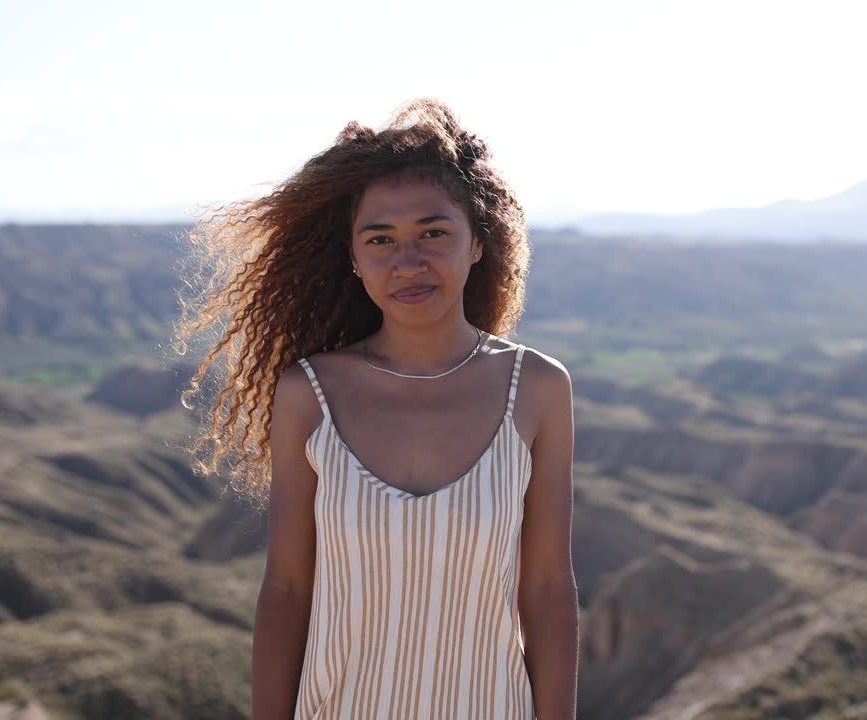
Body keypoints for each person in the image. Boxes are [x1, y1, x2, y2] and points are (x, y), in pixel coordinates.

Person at [173, 98, 579, 719]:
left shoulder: (538, 390)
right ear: (355, 260)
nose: (407, 261)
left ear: (477, 242)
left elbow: (548, 590)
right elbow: (286, 590)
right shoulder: (309, 394)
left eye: (434, 232)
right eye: (380, 239)